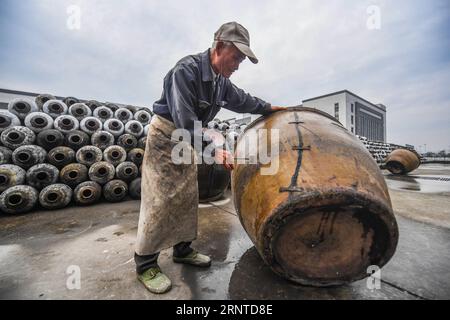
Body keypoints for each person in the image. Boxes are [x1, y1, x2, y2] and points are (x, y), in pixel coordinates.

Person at [134, 21, 286, 294]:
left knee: (187, 195)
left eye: (242, 59)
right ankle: (145, 263)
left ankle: (182, 250)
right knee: (160, 198)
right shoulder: (186, 71)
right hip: (167, 136)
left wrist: (266, 108)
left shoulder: (220, 82)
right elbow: (184, 120)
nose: (238, 63)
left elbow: (241, 99)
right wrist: (214, 150)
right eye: (237, 56)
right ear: (218, 47)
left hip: (188, 138)